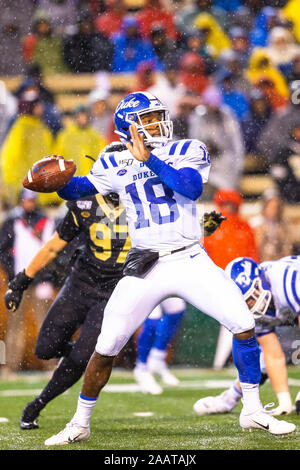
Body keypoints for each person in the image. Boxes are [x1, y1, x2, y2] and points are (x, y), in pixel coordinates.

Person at [43, 91, 295, 445]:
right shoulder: (114, 161)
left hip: (190, 257)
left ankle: (252, 410)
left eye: (157, 115)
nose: (158, 123)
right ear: (129, 128)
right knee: (107, 345)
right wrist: (57, 182)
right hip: (146, 262)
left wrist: (150, 161)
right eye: (148, 119)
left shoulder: (187, 149)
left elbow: (189, 188)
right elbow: (82, 188)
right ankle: (80, 421)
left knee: (243, 322)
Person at [4, 192, 130, 428]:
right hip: (79, 286)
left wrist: (200, 232)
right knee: (45, 348)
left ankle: (38, 404)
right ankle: (75, 351)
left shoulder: (141, 201)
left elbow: (167, 238)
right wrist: (22, 281)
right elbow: (53, 246)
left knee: (83, 358)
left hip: (113, 293)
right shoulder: (85, 202)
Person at [194, 255, 300, 417]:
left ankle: (229, 398)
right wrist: (284, 401)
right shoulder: (255, 309)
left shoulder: (290, 282)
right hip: (290, 314)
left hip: (293, 305)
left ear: (261, 281)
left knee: (292, 347)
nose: (250, 306)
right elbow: (272, 356)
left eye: (250, 299)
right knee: (261, 360)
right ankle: (230, 397)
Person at [0, 189, 55, 378]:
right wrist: (12, 275)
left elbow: (53, 251)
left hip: (41, 280)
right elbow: (4, 250)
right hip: (18, 281)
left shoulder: (46, 221)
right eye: (26, 200)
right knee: (14, 327)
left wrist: (48, 277)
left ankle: (51, 366)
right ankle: (9, 368)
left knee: (45, 325)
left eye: (32, 200)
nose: (29, 203)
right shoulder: (13, 221)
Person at [133, 298, 186, 394]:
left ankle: (157, 358)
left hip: (162, 282)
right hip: (144, 284)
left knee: (177, 310)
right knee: (152, 321)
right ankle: (141, 368)